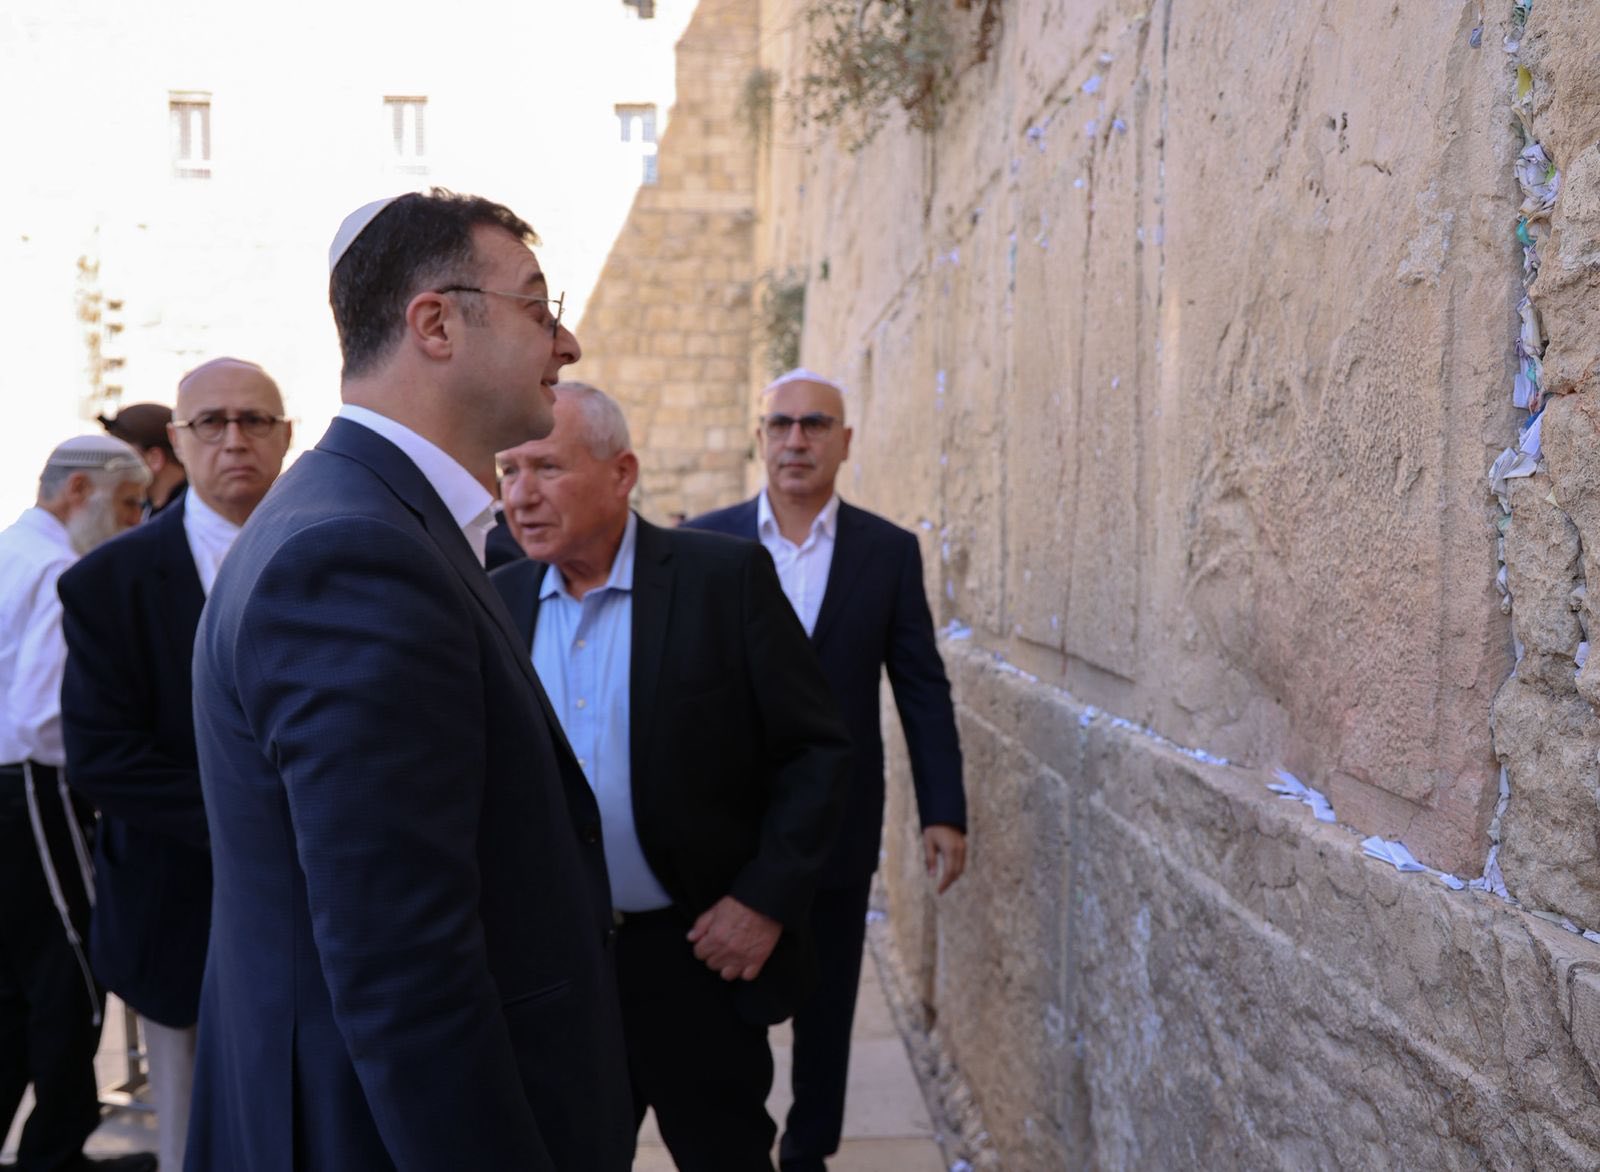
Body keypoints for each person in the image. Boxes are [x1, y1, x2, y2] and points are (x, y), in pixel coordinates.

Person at [184, 191, 632, 1172]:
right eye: (537, 307)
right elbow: (404, 965)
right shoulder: (354, 552)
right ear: (435, 323)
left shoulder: (363, 516)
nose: (567, 341)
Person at [491, 382, 852, 1170]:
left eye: (547, 468)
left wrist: (763, 899)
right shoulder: (494, 605)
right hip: (557, 972)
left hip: (696, 958)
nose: (520, 496)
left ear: (621, 473)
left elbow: (818, 752)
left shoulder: (723, 580)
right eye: (508, 471)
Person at [688, 367, 968, 1172]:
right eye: (780, 424)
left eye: (815, 424)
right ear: (760, 439)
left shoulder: (887, 552)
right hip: (726, 830)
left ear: (845, 442)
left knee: (828, 1004)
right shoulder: (704, 543)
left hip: (839, 829)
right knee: (721, 1010)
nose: (796, 440)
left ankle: (808, 1153)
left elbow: (920, 686)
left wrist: (943, 809)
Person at [59, 358, 293, 1172]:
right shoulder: (108, 583)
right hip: (179, 911)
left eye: (254, 421)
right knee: (193, 1137)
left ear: (285, 436)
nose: (235, 440)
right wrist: (256, 821)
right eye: (212, 423)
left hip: (331, 914)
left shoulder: (339, 552)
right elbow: (103, 756)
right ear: (176, 441)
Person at [0, 435, 153, 1172]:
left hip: (15, 788)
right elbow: (43, 720)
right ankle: (56, 1154)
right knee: (75, 975)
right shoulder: (56, 566)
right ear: (79, 491)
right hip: (36, 788)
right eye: (127, 505)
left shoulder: (13, 549)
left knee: (15, 986)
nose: (133, 522)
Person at [99, 403, 187, 516]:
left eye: (120, 457)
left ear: (154, 459)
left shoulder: (192, 517)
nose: (112, 467)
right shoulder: (147, 512)